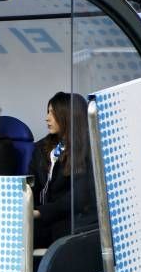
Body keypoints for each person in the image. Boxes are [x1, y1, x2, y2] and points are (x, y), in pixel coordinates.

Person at [29, 92, 95, 249]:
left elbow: (78, 197)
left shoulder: (87, 149)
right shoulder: (41, 148)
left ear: (69, 115)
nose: (47, 118)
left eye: (53, 113)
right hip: (44, 218)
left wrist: (41, 212)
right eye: (48, 112)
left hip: (71, 220)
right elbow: (32, 183)